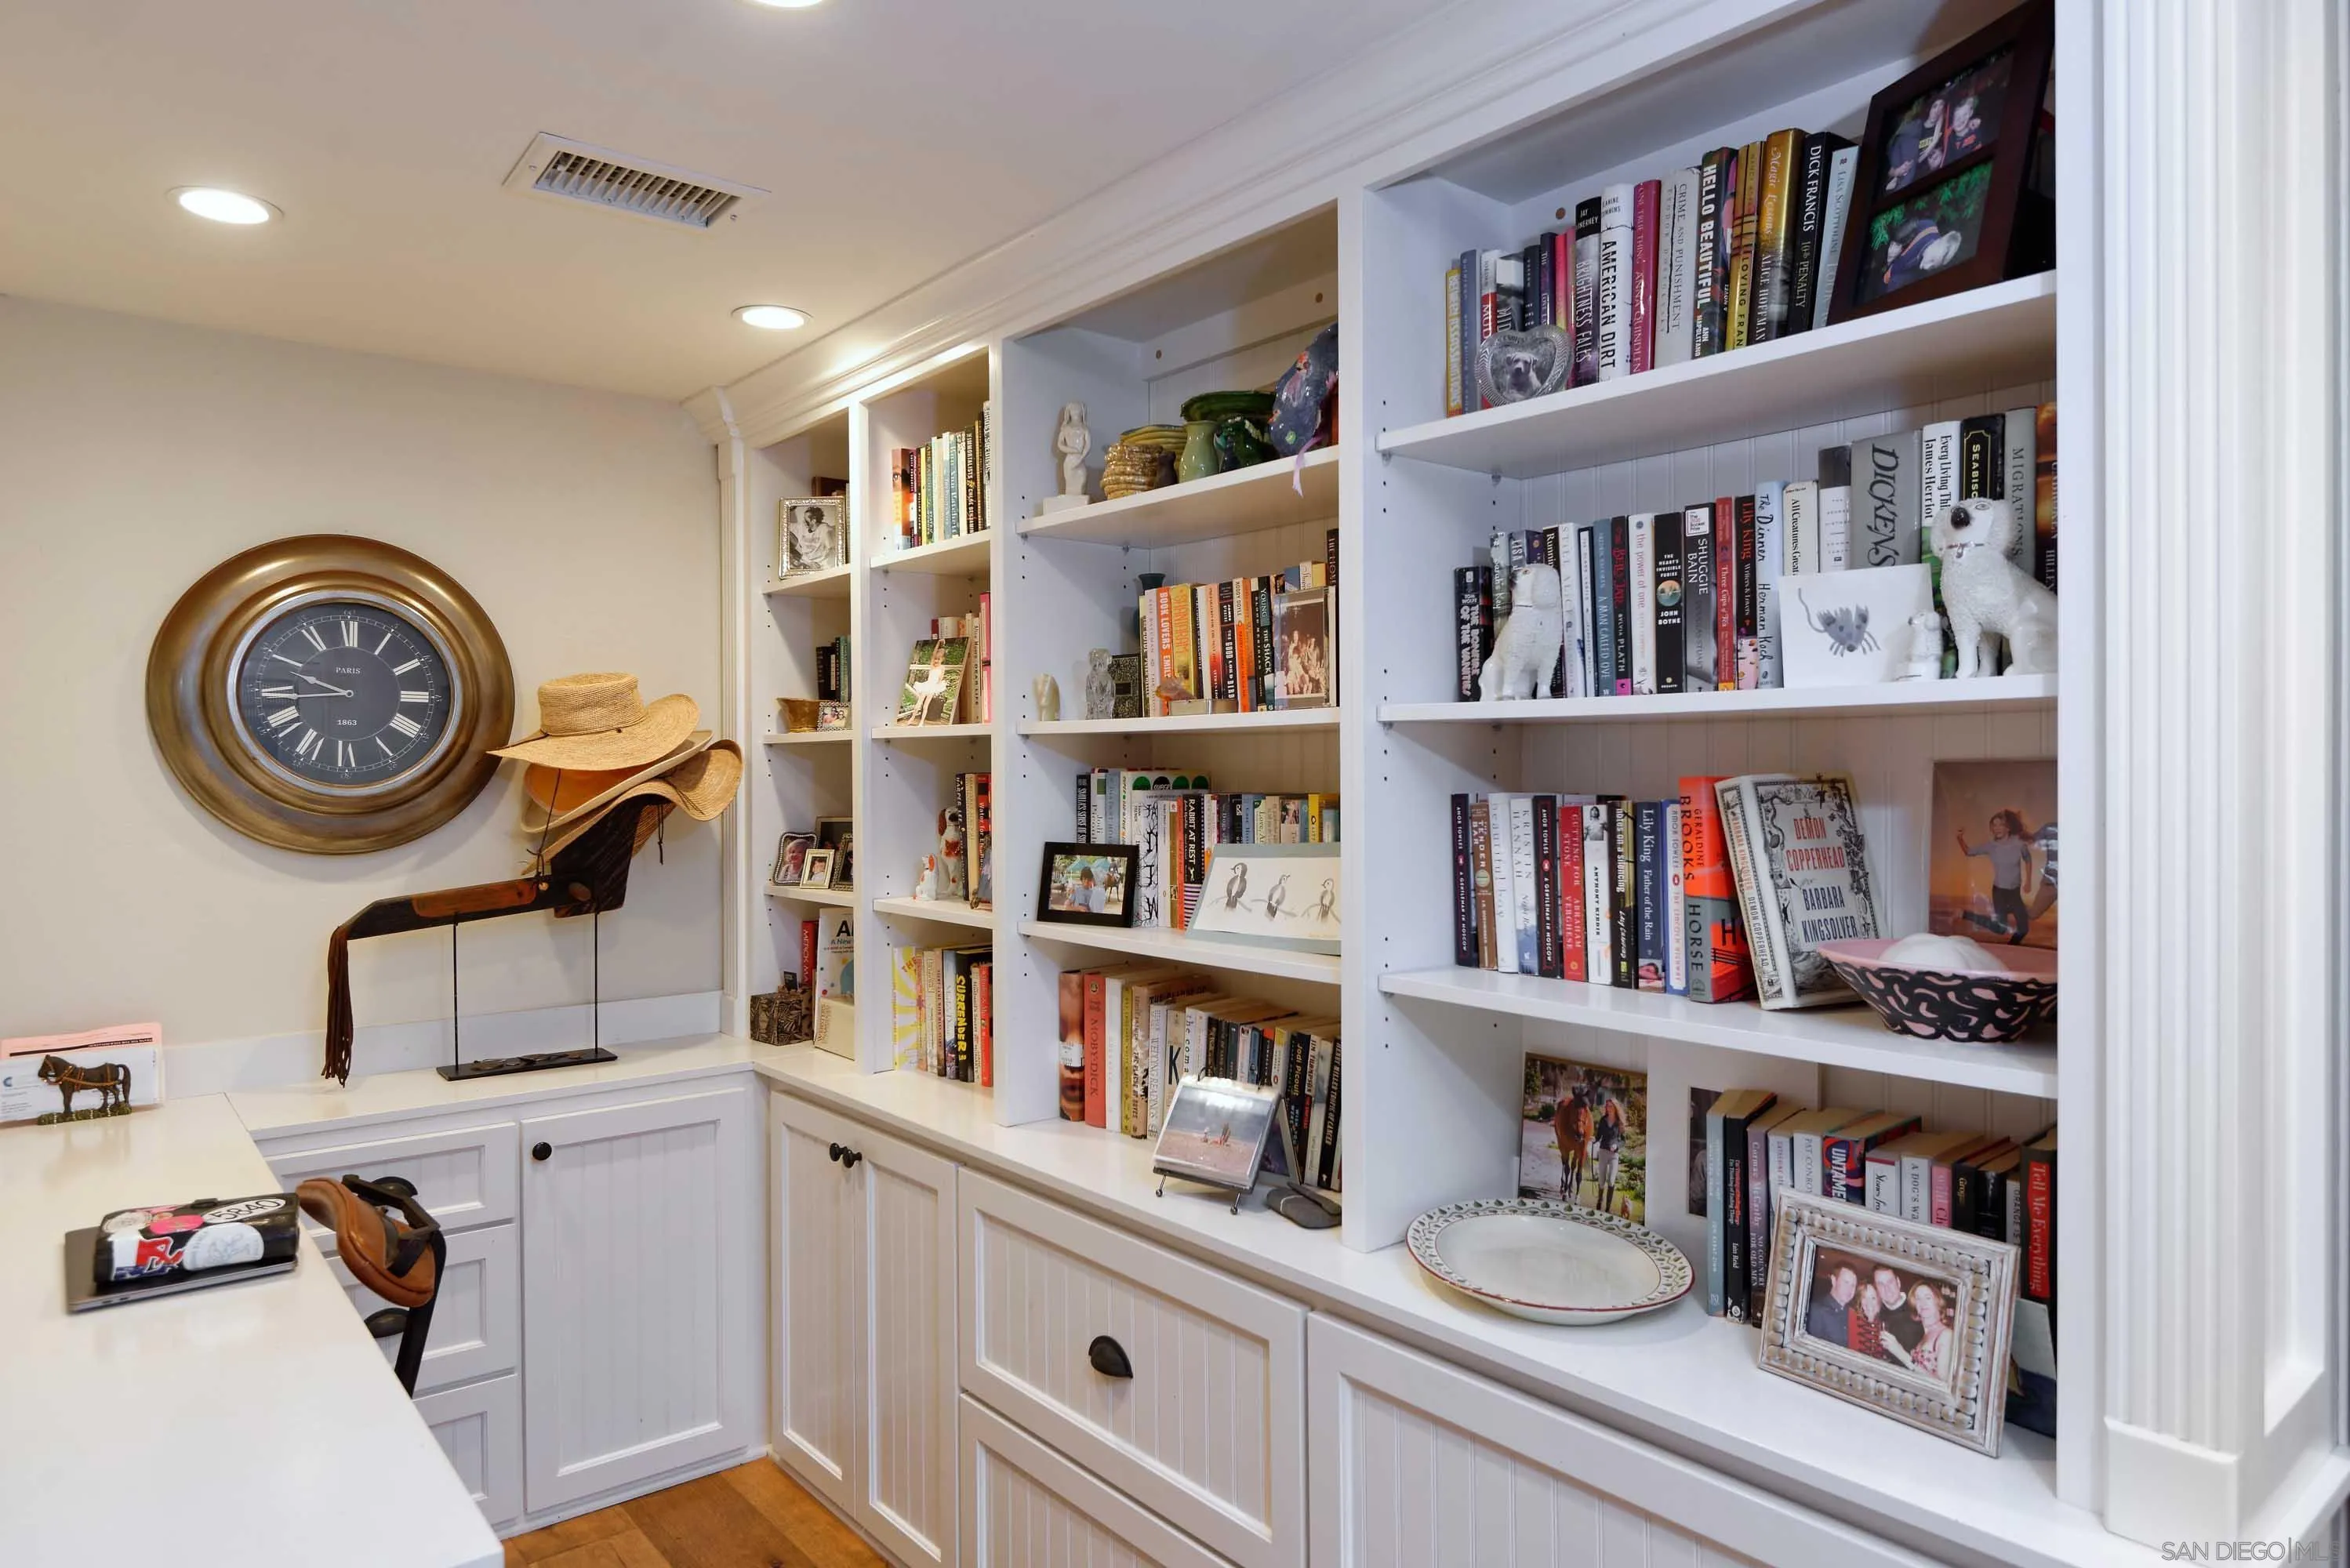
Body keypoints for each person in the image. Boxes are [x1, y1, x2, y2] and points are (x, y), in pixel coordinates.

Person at [1958, 808, 2034, 942]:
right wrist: (1959, 838)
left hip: (2014, 893)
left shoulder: (2019, 843)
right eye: (1994, 825)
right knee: (2000, 929)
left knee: (2023, 929)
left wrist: (2028, 881)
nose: (1997, 828)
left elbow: (2028, 859)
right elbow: (1968, 852)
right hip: (2000, 892)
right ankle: (1966, 915)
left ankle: (2011, 948)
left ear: (2008, 828)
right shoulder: (1991, 846)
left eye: (2000, 825)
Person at [1871, 1265, 1923, 1357]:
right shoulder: (1876, 1313)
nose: (1887, 1289)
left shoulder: (1919, 1309)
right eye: (1881, 1284)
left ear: (1898, 1282)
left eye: (1890, 1282)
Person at [1589, 1096, 1628, 1216]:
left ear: (1615, 1107)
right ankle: (1599, 1202)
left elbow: (1623, 1141)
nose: (1608, 1108)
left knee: (1611, 1180)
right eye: (1607, 1106)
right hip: (1603, 1153)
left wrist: (1617, 1146)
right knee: (1601, 1181)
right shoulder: (1603, 1120)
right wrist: (1594, 1140)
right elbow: (1598, 1136)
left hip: (1614, 1155)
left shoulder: (1619, 1123)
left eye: (1610, 1106)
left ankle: (1607, 1208)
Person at [1909, 1282, 1956, 1380]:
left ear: (1938, 1302)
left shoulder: (1946, 1335)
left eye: (1928, 1298)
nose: (1923, 1303)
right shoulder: (1924, 1333)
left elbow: (1941, 1383)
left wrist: (1902, 1355)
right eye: (1918, 1299)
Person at [1553, 1084, 1592, 1204]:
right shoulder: (1566, 1111)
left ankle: (1575, 1189)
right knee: (1566, 1161)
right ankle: (1565, 1183)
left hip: (1581, 1133)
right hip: (1567, 1134)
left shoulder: (1585, 1112)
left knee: (1576, 1163)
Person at [1807, 1265, 1858, 1348]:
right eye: (1846, 1282)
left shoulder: (1853, 1315)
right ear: (1834, 1281)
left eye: (1853, 1285)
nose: (1850, 1289)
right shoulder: (1816, 1311)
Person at [1849, 1281, 1887, 1359]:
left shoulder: (1885, 1325)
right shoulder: (1851, 1318)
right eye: (1864, 1298)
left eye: (1873, 1298)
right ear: (1860, 1301)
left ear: (1879, 1300)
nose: (1869, 1303)